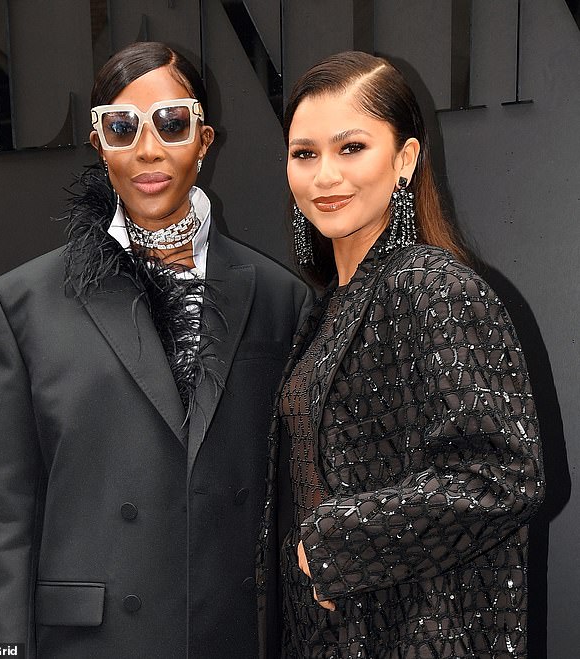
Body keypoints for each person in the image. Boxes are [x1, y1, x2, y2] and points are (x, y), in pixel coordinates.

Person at [0, 41, 311, 658]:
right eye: (122, 128)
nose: (148, 150)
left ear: (205, 140)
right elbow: (4, 522)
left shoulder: (279, 299)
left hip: (227, 634)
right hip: (89, 641)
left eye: (172, 122)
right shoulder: (23, 304)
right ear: (100, 145)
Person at [256, 51, 545, 659]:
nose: (325, 175)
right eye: (304, 153)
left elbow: (504, 476)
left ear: (405, 160)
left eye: (351, 148)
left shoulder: (437, 288)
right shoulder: (325, 306)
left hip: (421, 634)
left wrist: (337, 543)